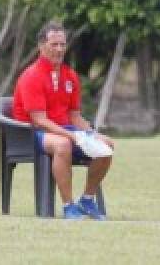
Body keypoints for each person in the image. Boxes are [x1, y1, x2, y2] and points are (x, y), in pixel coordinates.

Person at [12, 21, 115, 220]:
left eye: (62, 45)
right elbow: (39, 120)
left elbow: (74, 116)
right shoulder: (31, 76)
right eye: (54, 45)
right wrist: (72, 135)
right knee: (63, 144)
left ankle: (87, 200)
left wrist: (91, 133)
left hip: (63, 129)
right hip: (32, 132)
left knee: (106, 145)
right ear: (41, 46)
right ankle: (68, 206)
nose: (59, 49)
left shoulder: (70, 75)